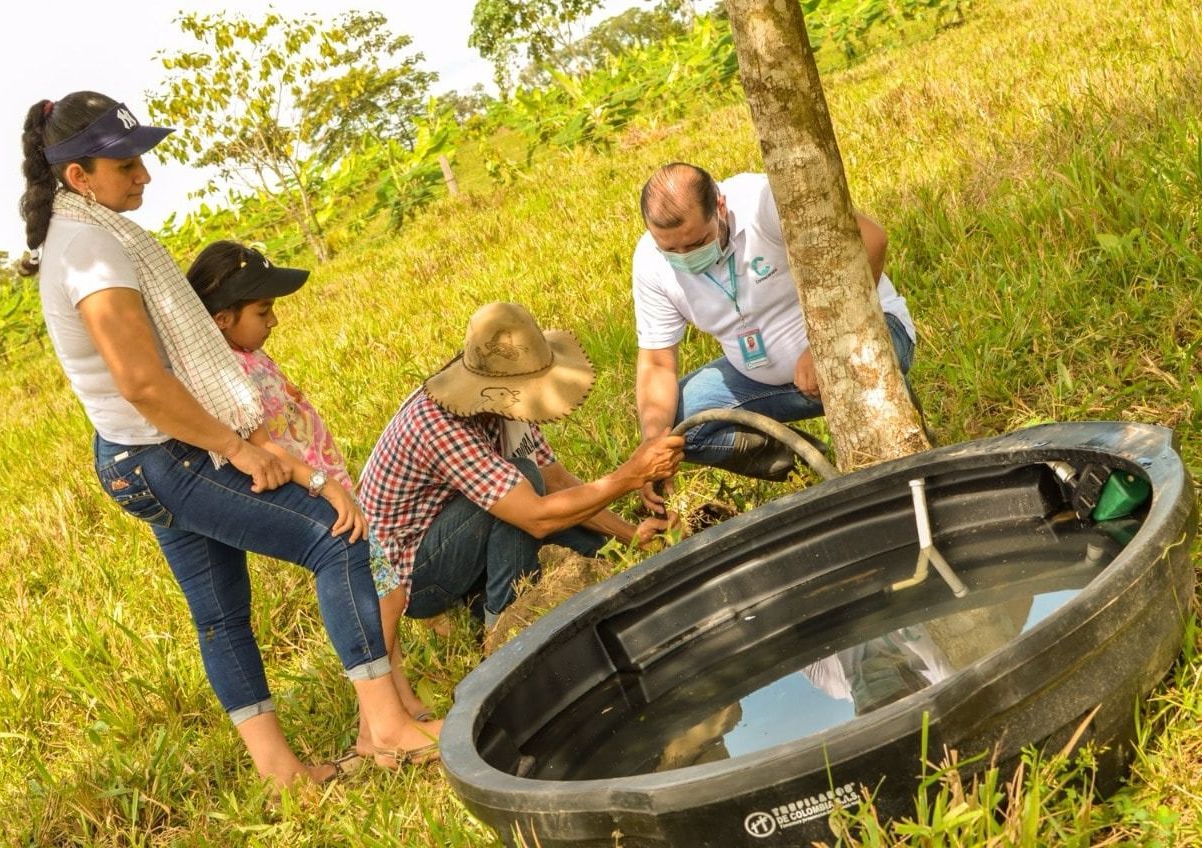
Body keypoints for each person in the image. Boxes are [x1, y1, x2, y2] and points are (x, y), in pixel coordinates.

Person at [19, 91, 440, 790]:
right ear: (78, 177)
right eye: (124, 164)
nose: (143, 175)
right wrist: (242, 448)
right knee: (335, 537)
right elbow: (142, 382)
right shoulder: (91, 251)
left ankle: (283, 777)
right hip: (164, 452)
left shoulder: (83, 236)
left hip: (130, 459)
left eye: (141, 159)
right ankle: (389, 731)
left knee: (220, 615)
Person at [185, 239, 432, 733]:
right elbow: (260, 446)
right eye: (262, 310)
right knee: (385, 595)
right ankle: (374, 722)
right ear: (220, 318)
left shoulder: (250, 355)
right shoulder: (227, 372)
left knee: (383, 588)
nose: (272, 320)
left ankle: (400, 698)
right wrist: (320, 485)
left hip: (332, 483)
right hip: (317, 492)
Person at [357, 302, 684, 642]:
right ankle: (503, 628)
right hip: (414, 572)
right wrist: (630, 475)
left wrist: (630, 535)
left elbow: (556, 482)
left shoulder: (505, 406)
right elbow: (536, 517)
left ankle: (481, 594)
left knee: (593, 546)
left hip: (459, 527)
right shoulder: (439, 425)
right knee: (524, 480)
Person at [632, 162, 917, 512]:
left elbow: (872, 239)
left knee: (860, 383)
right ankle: (811, 462)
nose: (685, 257)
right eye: (671, 251)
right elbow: (657, 364)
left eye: (696, 243)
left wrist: (827, 342)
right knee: (675, 427)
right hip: (768, 381)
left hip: (860, 336)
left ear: (720, 206)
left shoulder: (764, 202)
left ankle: (897, 438)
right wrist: (653, 448)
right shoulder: (650, 260)